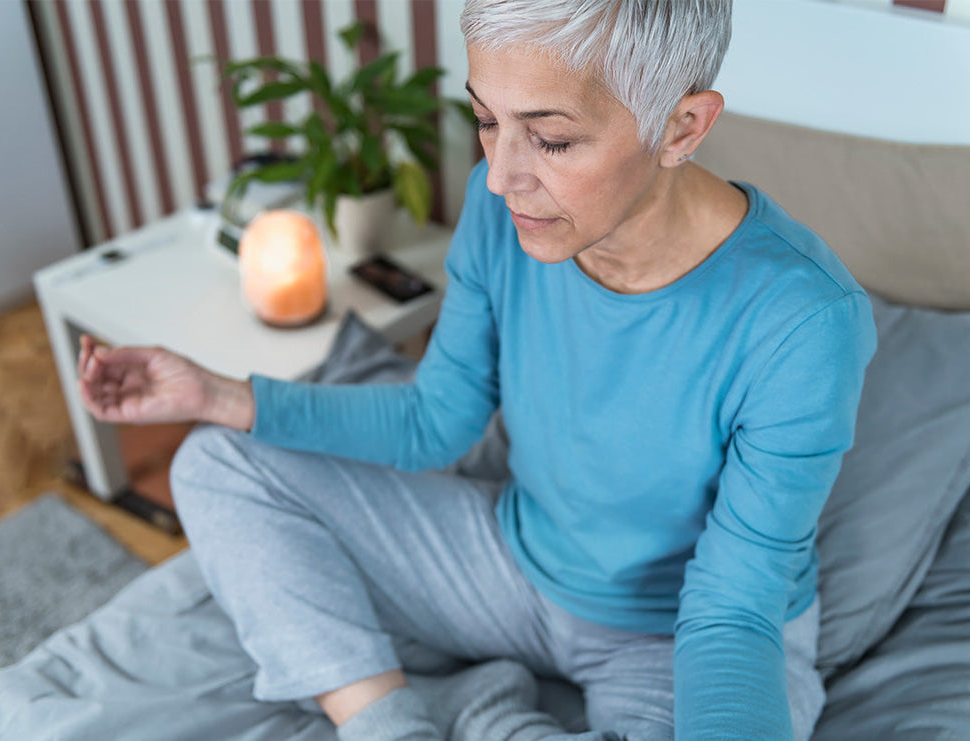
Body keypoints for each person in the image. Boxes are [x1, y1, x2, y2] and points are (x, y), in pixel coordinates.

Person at [78, 1, 876, 739]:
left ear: (681, 128)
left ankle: (484, 712)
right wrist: (216, 394)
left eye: (553, 139)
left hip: (673, 635)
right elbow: (435, 422)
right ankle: (393, 724)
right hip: (513, 561)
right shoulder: (504, 212)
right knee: (217, 461)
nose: (500, 176)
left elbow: (731, 609)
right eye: (488, 121)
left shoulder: (804, 322)